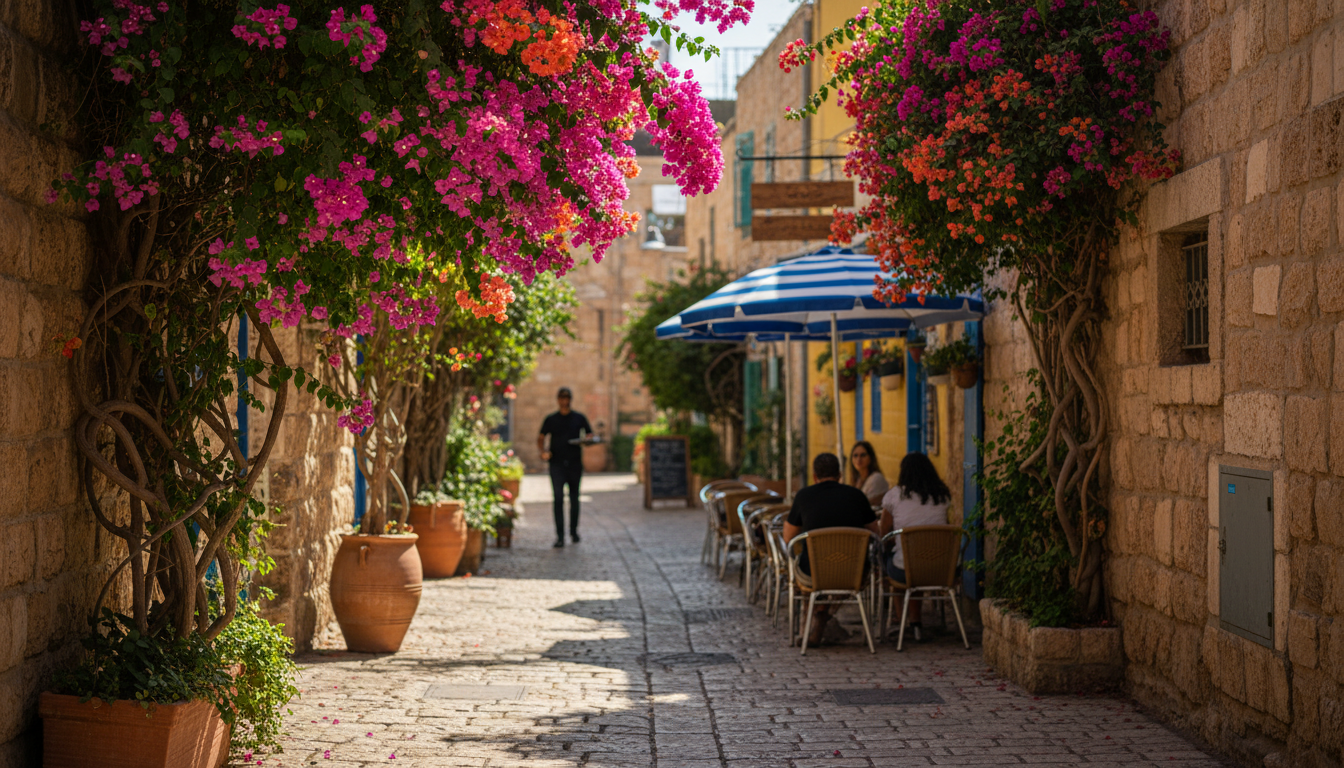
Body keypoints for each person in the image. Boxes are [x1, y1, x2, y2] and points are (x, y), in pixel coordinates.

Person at [784, 452, 880, 646]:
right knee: (842, 577)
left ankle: (813, 620)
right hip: (852, 572)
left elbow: (788, 538)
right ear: (840, 474)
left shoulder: (804, 496)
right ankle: (824, 614)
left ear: (814, 476)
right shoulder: (857, 495)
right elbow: (876, 533)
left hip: (813, 572)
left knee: (807, 577)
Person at [879, 452, 951, 635]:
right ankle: (915, 621)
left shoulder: (894, 496)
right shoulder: (942, 496)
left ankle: (901, 619)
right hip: (941, 569)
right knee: (916, 561)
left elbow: (884, 534)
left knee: (895, 561)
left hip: (906, 569)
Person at [537, 387, 592, 548]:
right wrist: (543, 452)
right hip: (557, 464)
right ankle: (560, 536)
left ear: (570, 399)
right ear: (558, 399)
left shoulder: (579, 418)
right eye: (561, 397)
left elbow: (589, 435)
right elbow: (541, 437)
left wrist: (587, 440)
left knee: (574, 499)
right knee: (558, 499)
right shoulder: (551, 419)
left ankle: (573, 532)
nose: (564, 400)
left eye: (566, 397)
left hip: (574, 464)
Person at [847, 440, 889, 506]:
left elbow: (861, 504)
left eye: (863, 455)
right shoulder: (857, 479)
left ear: (870, 458)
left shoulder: (876, 478)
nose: (858, 459)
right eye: (855, 455)